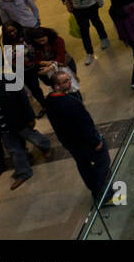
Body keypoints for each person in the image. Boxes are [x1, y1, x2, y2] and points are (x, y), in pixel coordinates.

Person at [40, 70, 111, 205]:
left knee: (84, 167)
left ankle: (96, 191)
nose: (69, 82)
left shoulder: (49, 100)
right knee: (103, 164)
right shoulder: (70, 103)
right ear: (56, 86)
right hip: (86, 142)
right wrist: (96, 141)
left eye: (69, 79)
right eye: (65, 81)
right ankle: (105, 193)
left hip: (71, 144)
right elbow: (84, 124)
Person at [0, 74, 50, 191]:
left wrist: (30, 117)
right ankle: (24, 173)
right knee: (14, 150)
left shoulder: (8, 80)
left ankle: (45, 146)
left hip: (19, 121)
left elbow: (23, 99)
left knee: (33, 137)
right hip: (1, 126)